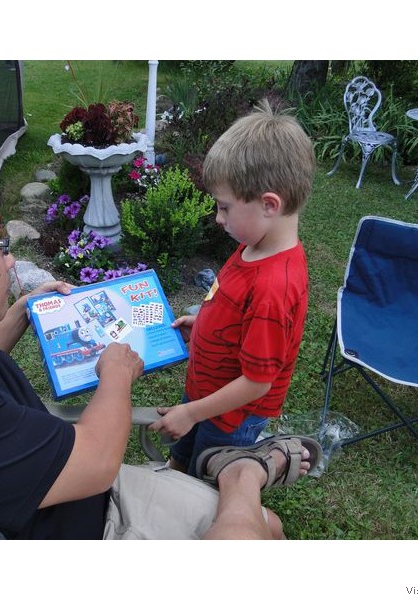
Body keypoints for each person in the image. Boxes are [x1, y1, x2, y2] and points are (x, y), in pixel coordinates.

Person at [0, 169, 320, 540]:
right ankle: (245, 474)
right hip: (86, 524)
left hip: (68, 499)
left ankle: (244, 479)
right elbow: (99, 460)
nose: (10, 258)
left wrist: (21, 311)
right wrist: (117, 373)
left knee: (267, 528)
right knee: (264, 531)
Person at [149, 99, 318, 479]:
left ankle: (189, 493)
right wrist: (205, 322)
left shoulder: (275, 287)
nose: (217, 217)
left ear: (269, 204)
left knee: (207, 475)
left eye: (224, 207)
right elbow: (231, 303)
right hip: (206, 392)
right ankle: (175, 471)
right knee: (184, 449)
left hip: (230, 417)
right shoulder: (253, 245)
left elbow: (258, 382)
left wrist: (193, 412)